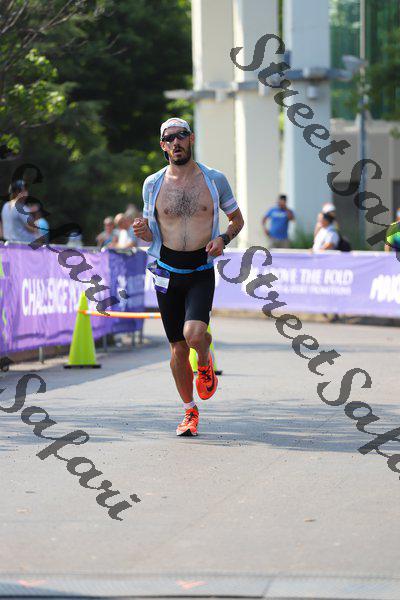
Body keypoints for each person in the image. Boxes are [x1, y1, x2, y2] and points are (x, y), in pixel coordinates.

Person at [133, 117, 244, 437]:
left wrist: (223, 238)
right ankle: (189, 411)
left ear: (191, 138)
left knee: (194, 336)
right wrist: (141, 231)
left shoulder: (214, 179)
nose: (176, 142)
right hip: (166, 272)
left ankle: (205, 361)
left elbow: (237, 220)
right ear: (162, 145)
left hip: (199, 271)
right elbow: (149, 232)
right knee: (178, 349)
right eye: (169, 138)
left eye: (181, 135)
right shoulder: (152, 184)